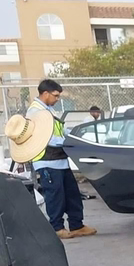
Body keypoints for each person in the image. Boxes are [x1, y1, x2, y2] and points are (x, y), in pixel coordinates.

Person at [28, 80, 96, 239]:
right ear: (45, 93)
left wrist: (75, 135)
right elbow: (46, 138)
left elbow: (60, 130)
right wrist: (69, 142)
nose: (58, 99)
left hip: (60, 161)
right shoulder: (35, 112)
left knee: (72, 195)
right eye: (56, 96)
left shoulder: (49, 110)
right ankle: (57, 228)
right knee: (55, 196)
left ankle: (76, 225)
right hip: (46, 161)